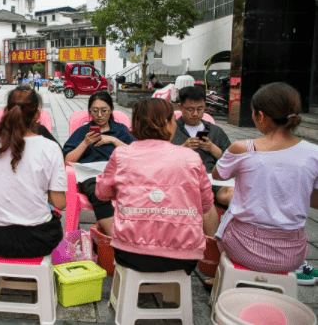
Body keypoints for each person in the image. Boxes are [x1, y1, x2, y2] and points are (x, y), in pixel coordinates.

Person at [96, 98, 218, 275]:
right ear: (168, 123)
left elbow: (102, 193)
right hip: (184, 256)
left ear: (136, 124)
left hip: (130, 253)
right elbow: (206, 204)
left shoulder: (121, 154)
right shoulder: (191, 157)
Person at [212, 83, 318, 283]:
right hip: (291, 255)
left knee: (224, 205)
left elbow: (218, 175)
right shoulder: (314, 153)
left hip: (243, 248)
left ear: (260, 116)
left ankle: (220, 277)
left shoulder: (243, 148)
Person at [0, 87, 67, 258]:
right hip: (39, 239)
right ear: (37, 115)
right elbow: (60, 203)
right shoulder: (51, 148)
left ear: (6, 111)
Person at [63, 91, 136, 235]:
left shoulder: (120, 130)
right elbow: (67, 160)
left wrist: (113, 140)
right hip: (91, 176)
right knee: (99, 193)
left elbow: (135, 153)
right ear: (90, 111)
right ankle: (114, 236)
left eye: (104, 111)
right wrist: (85, 143)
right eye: (95, 111)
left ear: (111, 111)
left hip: (117, 173)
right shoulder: (82, 132)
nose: (100, 115)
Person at [171, 87, 232, 206]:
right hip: (179, 181)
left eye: (200, 109)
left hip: (212, 181)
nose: (195, 114)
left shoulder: (215, 131)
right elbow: (161, 158)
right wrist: (183, 148)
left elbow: (231, 162)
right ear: (180, 107)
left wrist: (212, 148)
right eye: (190, 109)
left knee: (231, 195)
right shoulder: (170, 130)